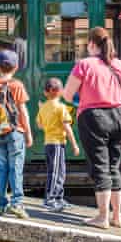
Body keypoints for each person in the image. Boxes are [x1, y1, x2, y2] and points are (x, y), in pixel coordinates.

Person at [63, 27, 121, 230]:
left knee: (100, 168)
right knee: (114, 167)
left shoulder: (84, 64)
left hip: (93, 117)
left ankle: (103, 217)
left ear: (91, 44)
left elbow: (67, 95)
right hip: (120, 116)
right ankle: (117, 217)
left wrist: (83, 98)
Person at [0, 49, 32, 218]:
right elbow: (23, 112)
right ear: (16, 67)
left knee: (2, 167)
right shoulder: (17, 85)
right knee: (16, 167)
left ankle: (0, 204)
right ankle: (17, 204)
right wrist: (28, 133)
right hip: (15, 132)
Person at [36, 77, 80, 212]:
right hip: (57, 144)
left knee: (58, 172)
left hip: (49, 143)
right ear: (60, 91)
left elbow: (39, 125)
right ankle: (50, 200)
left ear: (46, 92)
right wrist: (75, 145)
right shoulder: (61, 107)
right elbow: (67, 127)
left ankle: (59, 199)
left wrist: (45, 117)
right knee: (56, 173)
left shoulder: (43, 107)